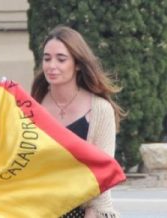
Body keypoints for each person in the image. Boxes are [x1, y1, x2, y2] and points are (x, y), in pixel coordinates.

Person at [31, 26, 123, 218]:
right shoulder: (32, 106)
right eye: (47, 58)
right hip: (37, 209)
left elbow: (103, 170)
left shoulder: (100, 110)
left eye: (61, 59)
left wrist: (92, 212)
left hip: (83, 210)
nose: (51, 66)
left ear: (78, 64)